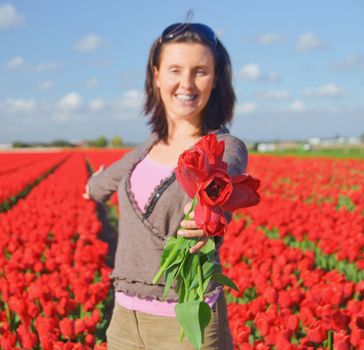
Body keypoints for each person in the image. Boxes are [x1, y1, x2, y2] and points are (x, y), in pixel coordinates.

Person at [83, 21, 248, 350]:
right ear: (156, 76)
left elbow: (221, 181)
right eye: (175, 69)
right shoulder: (146, 149)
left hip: (187, 326)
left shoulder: (224, 148)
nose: (186, 83)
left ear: (215, 79)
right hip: (125, 322)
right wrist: (93, 182)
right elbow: (99, 186)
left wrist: (205, 219)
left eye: (200, 71)